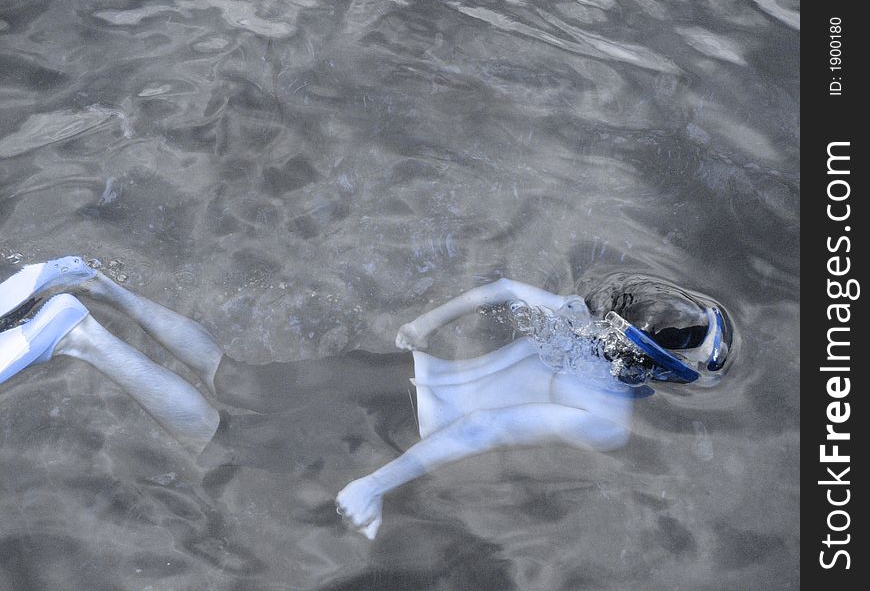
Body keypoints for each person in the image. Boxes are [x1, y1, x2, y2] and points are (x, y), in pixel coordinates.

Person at [0, 257, 733, 539]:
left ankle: (84, 279)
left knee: (237, 376)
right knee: (219, 443)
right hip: (384, 424)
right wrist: (377, 485)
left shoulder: (580, 315)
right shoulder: (605, 420)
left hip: (388, 371)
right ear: (660, 372)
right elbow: (483, 435)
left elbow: (505, 290)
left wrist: (426, 323)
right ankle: (77, 336)